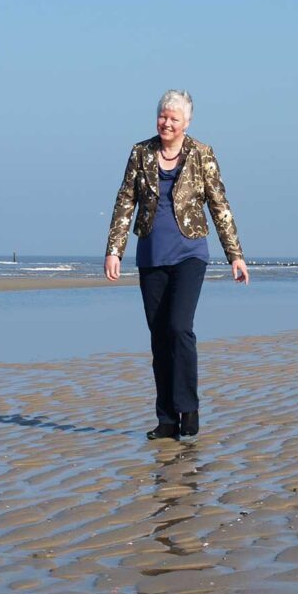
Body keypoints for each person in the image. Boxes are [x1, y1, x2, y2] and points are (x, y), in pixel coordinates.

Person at [104, 89, 249, 439]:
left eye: (174, 118)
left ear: (186, 123)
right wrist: (114, 249)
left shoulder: (202, 154)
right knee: (158, 337)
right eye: (163, 116)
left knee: (180, 328)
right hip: (151, 255)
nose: (167, 123)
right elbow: (126, 200)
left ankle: (189, 406)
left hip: (190, 254)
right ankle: (167, 420)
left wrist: (235, 255)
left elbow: (219, 204)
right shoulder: (141, 152)